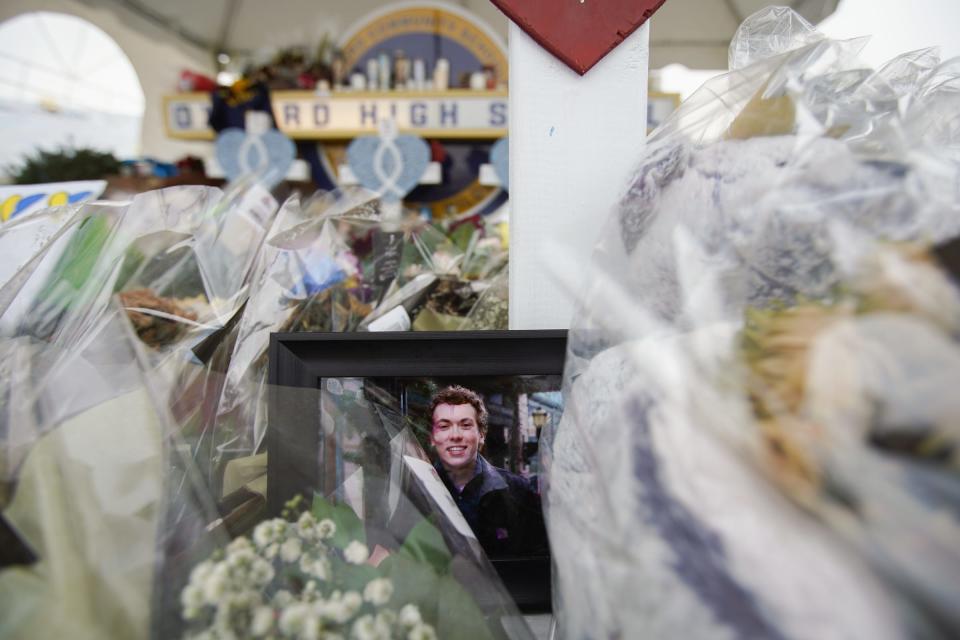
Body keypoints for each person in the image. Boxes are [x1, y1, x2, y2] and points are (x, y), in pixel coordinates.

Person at [429, 385, 548, 557]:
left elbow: (538, 560)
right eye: (444, 426)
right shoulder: (413, 488)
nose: (455, 435)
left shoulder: (518, 491)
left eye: (465, 425)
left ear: (482, 435)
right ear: (432, 437)